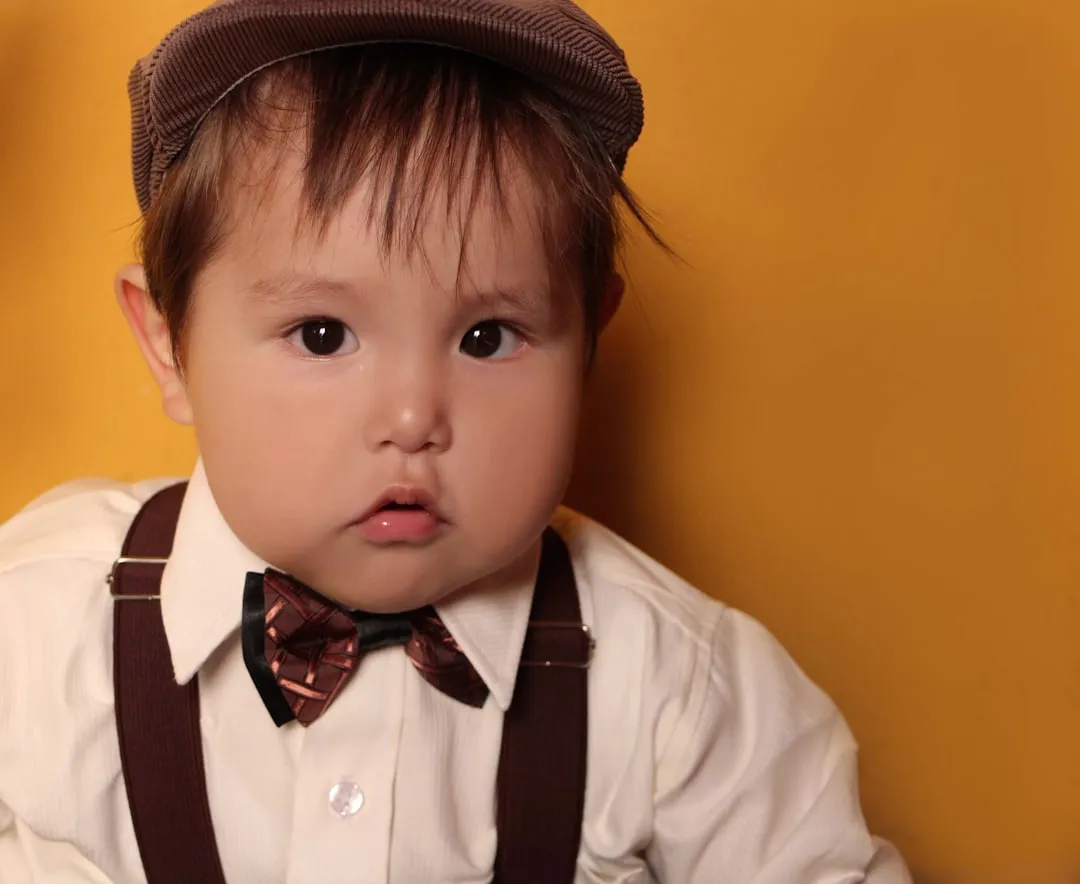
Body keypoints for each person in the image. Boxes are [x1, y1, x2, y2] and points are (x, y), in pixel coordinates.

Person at [0, 1, 913, 881]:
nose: (411, 419)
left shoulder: (688, 697)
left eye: (488, 338)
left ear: (588, 339)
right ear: (169, 343)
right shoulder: (35, 634)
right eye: (322, 334)